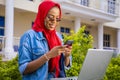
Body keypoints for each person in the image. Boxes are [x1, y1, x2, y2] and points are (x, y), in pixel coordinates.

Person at [18, 0, 72, 80]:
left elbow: (65, 66)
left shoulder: (58, 37)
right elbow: (23, 69)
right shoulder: (28, 36)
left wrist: (67, 56)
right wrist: (48, 55)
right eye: (50, 17)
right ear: (42, 15)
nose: (54, 22)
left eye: (57, 19)